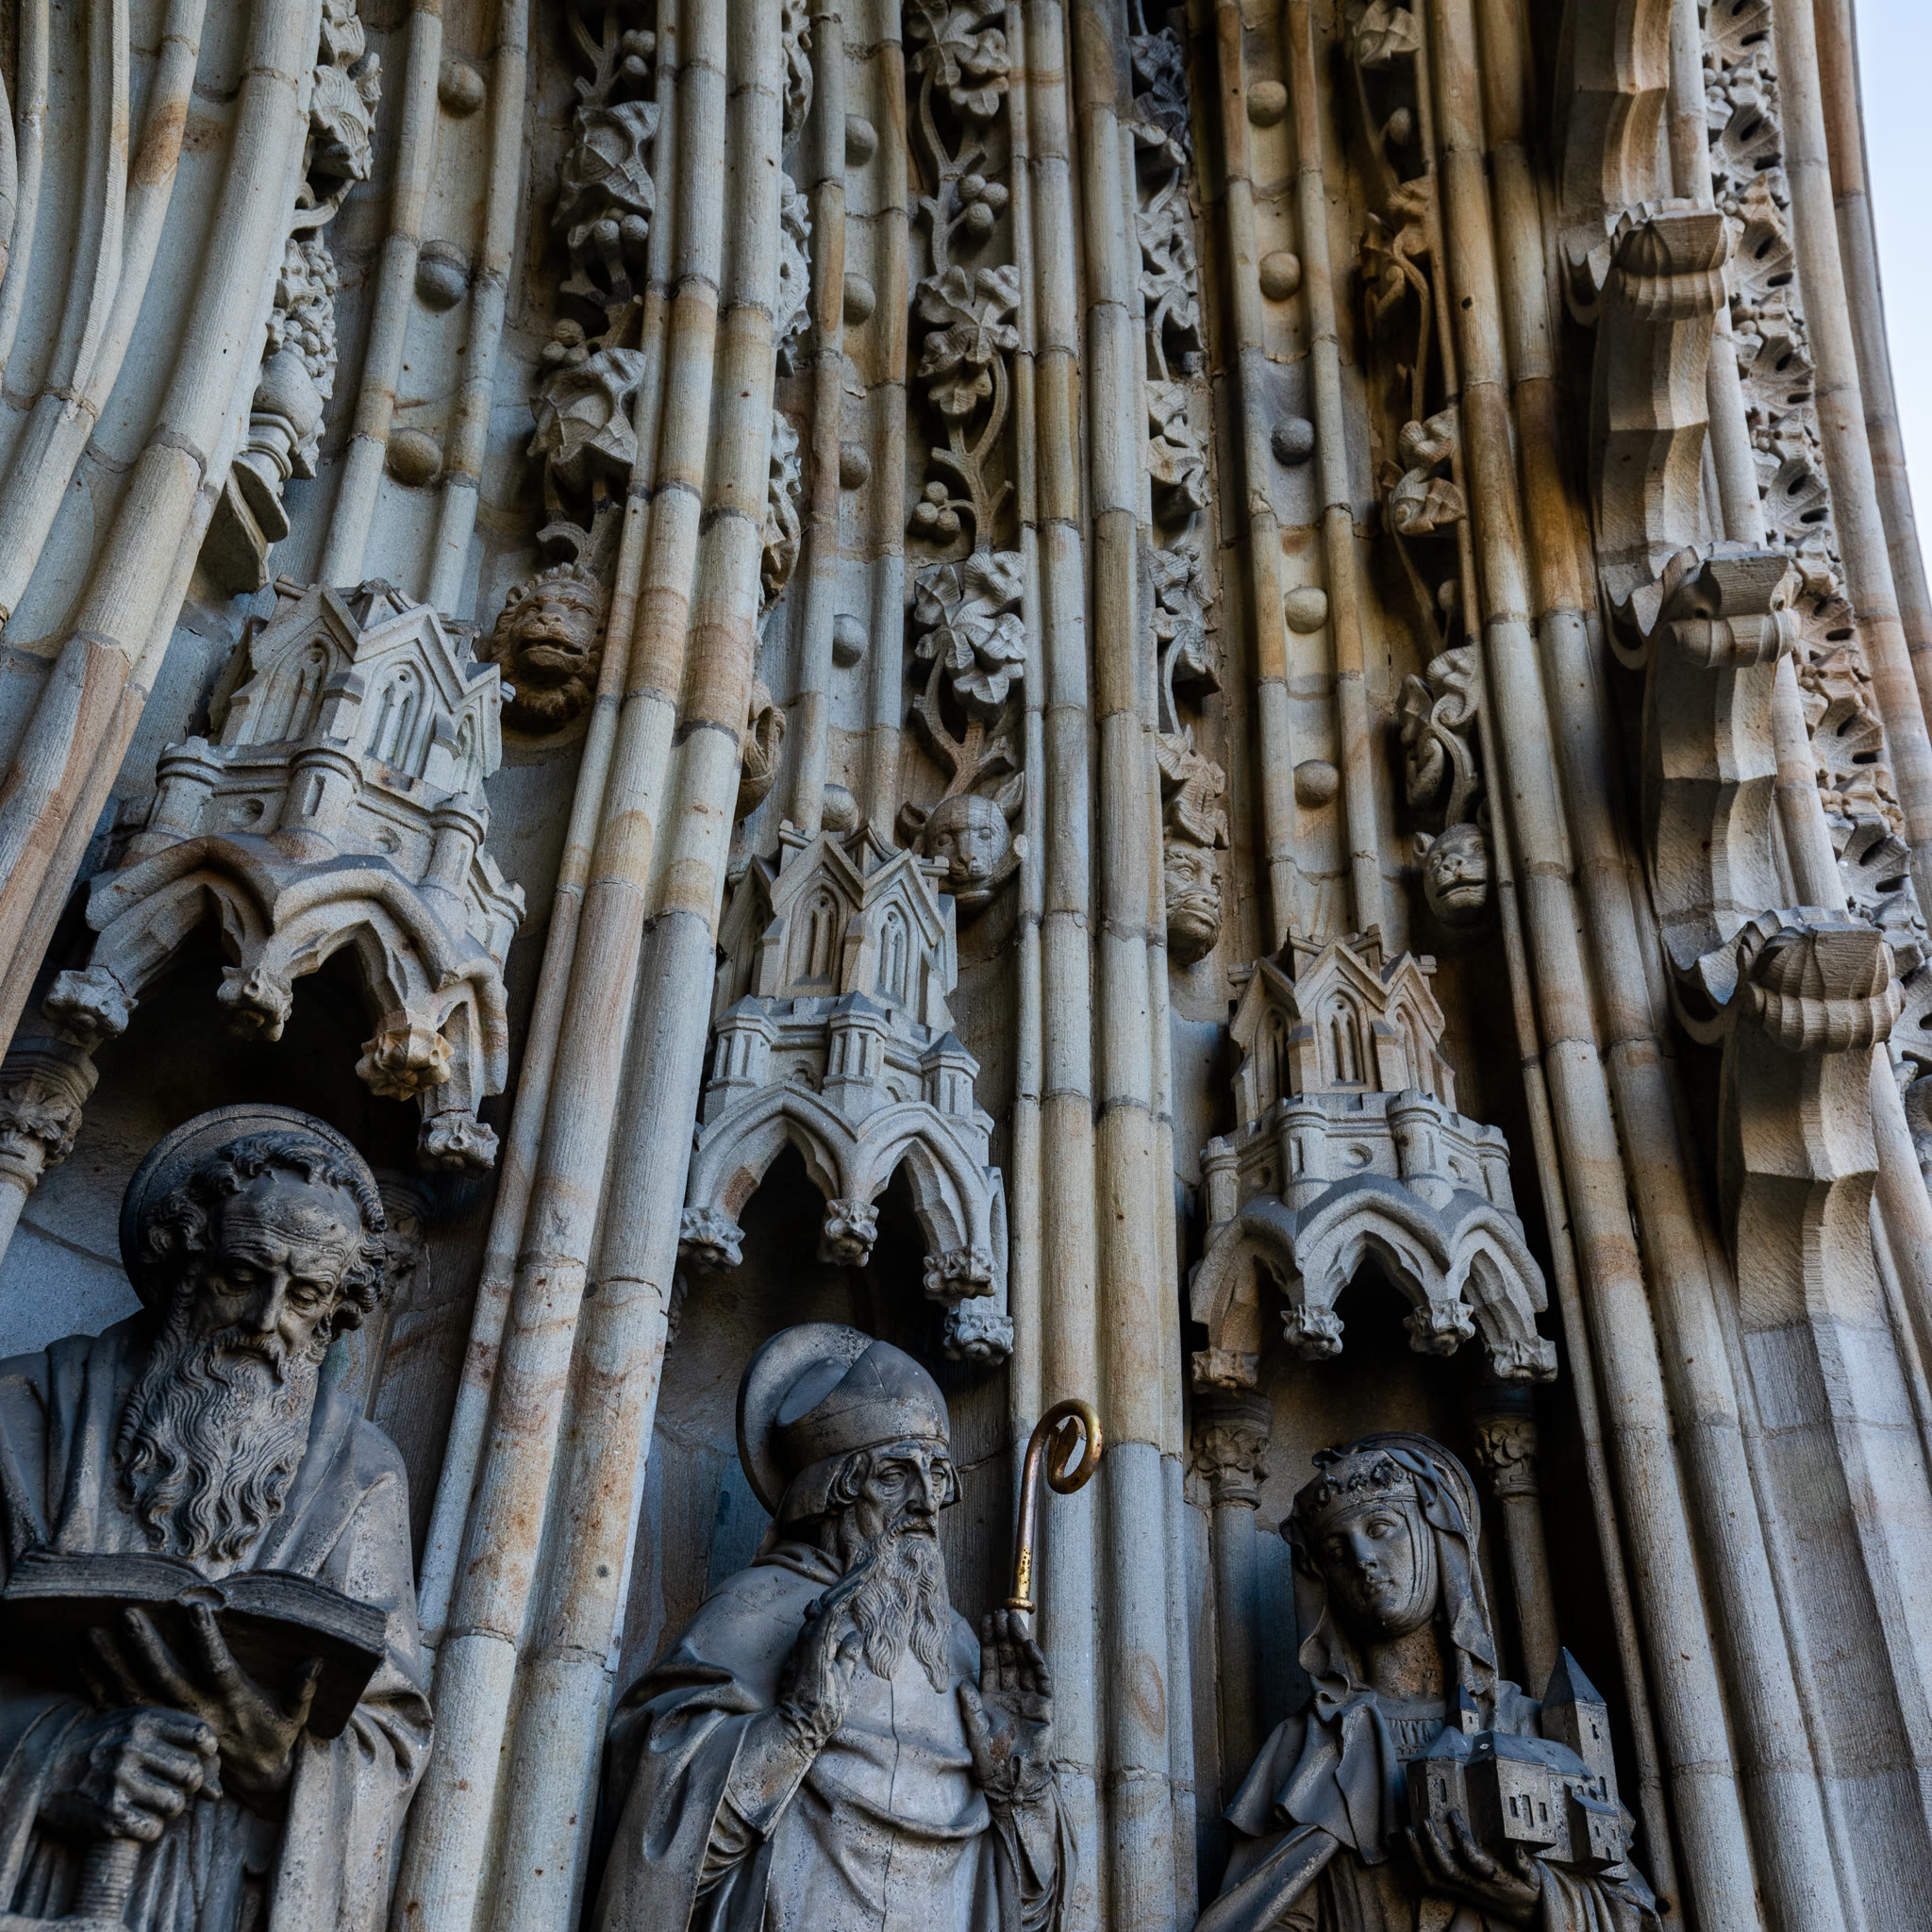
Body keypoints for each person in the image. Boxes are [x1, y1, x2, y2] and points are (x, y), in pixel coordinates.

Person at [0, 1106, 431, 1929]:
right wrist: (53, 1755)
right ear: (185, 1262)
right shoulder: (21, 1412)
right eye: (242, 1274)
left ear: (335, 1308)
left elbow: (389, 1731)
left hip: (219, 1882)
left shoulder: (361, 1473)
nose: (267, 1321)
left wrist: (270, 1749)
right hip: (32, 1871)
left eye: (306, 1295)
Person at [591, 1323, 1066, 1932]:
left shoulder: (966, 1653)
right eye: (895, 1476)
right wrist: (793, 1730)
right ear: (829, 1495)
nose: (926, 1501)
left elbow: (1027, 1912)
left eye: (938, 1476)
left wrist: (1020, 1789)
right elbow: (653, 1854)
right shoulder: (752, 1610)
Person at [1199, 1433, 1658, 1932]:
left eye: (1381, 1528)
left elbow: (1633, 1919)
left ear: (1439, 1541)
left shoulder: (1528, 1728)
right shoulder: (1306, 1746)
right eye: (1335, 1550)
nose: (1361, 1557)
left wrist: (1527, 1899)